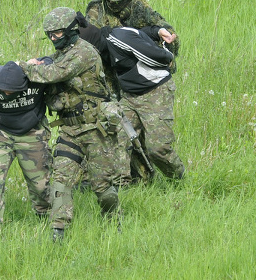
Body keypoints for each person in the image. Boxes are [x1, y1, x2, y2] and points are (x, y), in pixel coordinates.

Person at [20, 7, 130, 241]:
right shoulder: (64, 54)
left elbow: (53, 74)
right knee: (61, 180)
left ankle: (114, 222)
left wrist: (21, 67)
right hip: (70, 130)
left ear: (70, 30)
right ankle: (58, 232)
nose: (53, 38)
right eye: (49, 34)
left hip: (95, 130)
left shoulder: (83, 53)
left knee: (102, 187)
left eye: (57, 33)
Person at [76, 19, 185, 181]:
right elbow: (139, 32)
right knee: (117, 138)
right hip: (129, 96)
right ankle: (122, 185)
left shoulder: (117, 39)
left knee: (158, 148)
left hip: (155, 92)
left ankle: (179, 179)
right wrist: (155, 31)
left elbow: (160, 57)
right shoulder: (106, 44)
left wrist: (166, 51)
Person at [0, 61, 53, 239]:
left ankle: (46, 218)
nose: (7, 94)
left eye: (12, 92)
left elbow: (58, 65)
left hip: (32, 131)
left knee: (40, 184)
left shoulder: (38, 77)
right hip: (1, 131)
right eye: (4, 91)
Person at [84, 0, 179, 94]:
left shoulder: (138, 6)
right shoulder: (97, 9)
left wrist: (161, 32)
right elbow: (90, 39)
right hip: (109, 70)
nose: (114, 3)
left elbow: (163, 26)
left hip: (140, 73)